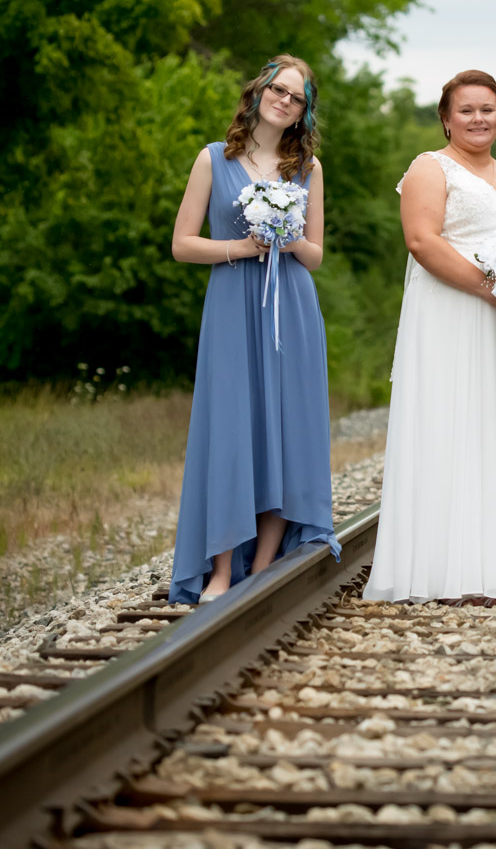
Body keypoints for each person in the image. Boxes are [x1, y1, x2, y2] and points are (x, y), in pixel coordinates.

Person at [361, 70, 496, 605]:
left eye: (488, 109)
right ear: (446, 118)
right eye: (467, 110)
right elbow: (422, 241)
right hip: (453, 315)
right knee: (454, 425)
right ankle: (448, 570)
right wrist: (488, 286)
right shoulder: (430, 168)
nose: (479, 119)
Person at [168, 55, 338, 605]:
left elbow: (314, 256)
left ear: (303, 112)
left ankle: (263, 565)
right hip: (231, 306)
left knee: (281, 434)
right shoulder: (213, 160)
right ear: (259, 91)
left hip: (289, 306)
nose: (284, 101)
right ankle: (220, 571)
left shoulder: (307, 169)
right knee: (232, 434)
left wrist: (283, 235)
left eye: (297, 97)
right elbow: (182, 245)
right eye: (278, 89)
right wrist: (242, 246)